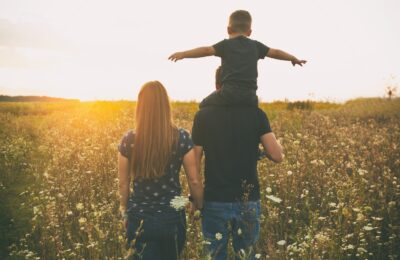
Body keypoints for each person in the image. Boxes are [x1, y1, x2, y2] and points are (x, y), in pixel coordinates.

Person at [118, 81, 203, 260]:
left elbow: (124, 183)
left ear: (140, 106)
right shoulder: (182, 137)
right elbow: (194, 181)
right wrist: (197, 205)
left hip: (139, 218)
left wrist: (125, 212)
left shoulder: (129, 139)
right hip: (172, 216)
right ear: (166, 105)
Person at [191, 101, 283, 259]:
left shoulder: (203, 115)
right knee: (245, 256)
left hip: (214, 200)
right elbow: (277, 155)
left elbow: (194, 163)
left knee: (215, 255)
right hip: (248, 201)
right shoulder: (257, 114)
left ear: (218, 85)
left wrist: (195, 199)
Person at [169, 10, 307, 108]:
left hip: (229, 92)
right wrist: (293, 58)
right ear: (249, 32)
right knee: (254, 113)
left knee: (203, 105)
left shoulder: (226, 45)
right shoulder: (256, 46)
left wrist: (183, 54)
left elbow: (206, 50)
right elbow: (275, 52)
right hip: (250, 96)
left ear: (228, 29)